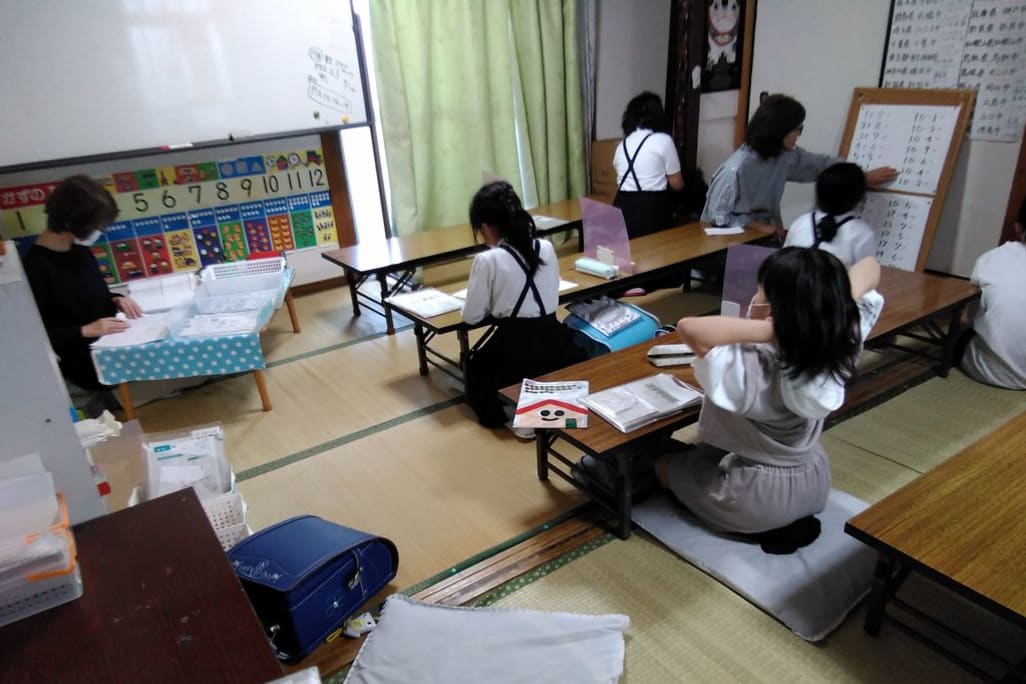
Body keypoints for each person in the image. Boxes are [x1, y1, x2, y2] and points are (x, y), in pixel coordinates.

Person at [657, 249, 884, 553]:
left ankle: (747, 520)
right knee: (701, 456)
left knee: (663, 466)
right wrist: (827, 311)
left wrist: (770, 329)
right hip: (814, 484)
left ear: (777, 308)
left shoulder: (755, 365)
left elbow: (689, 328)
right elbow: (870, 265)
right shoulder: (839, 344)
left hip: (756, 498)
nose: (754, 296)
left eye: (759, 291)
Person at [461, 181, 586, 432]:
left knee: (475, 371)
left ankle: (518, 415)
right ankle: (541, 411)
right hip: (554, 340)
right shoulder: (546, 247)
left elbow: (471, 317)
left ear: (485, 227)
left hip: (515, 347)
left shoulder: (487, 259)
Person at [23, 175, 143, 415]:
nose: (100, 232)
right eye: (97, 226)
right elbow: (35, 336)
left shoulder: (80, 252)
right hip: (80, 377)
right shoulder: (36, 267)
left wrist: (116, 299)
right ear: (71, 223)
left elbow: (92, 294)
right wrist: (86, 330)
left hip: (109, 362)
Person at [702, 94, 898, 236]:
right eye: (797, 129)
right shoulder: (736, 169)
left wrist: (859, 176)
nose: (798, 135)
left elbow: (819, 165)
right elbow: (715, 220)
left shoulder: (783, 156)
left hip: (767, 237)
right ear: (779, 130)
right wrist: (758, 226)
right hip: (734, 246)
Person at [959, 197, 1026, 390]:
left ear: (1018, 227)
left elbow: (966, 319)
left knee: (960, 335)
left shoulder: (995, 258)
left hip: (991, 371)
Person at [613, 92, 684, 239]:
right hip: (651, 208)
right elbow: (677, 184)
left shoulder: (622, 145)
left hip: (621, 205)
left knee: (627, 250)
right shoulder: (663, 140)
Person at [783, 162, 876, 267]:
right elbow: (866, 275)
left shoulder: (800, 222)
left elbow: (782, 262)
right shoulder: (862, 234)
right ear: (860, 197)